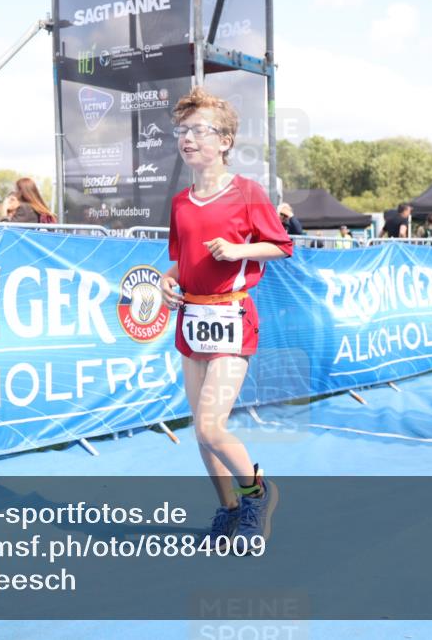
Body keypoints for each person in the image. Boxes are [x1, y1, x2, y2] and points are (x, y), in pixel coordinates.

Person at [159, 88, 292, 549]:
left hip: (232, 315)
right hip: (191, 318)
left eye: (199, 130)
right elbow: (182, 259)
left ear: (226, 140)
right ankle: (229, 509)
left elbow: (281, 245)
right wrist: (166, 280)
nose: (188, 139)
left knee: (212, 426)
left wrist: (239, 249)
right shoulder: (180, 202)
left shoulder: (247, 192)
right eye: (183, 130)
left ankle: (258, 493)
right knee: (201, 431)